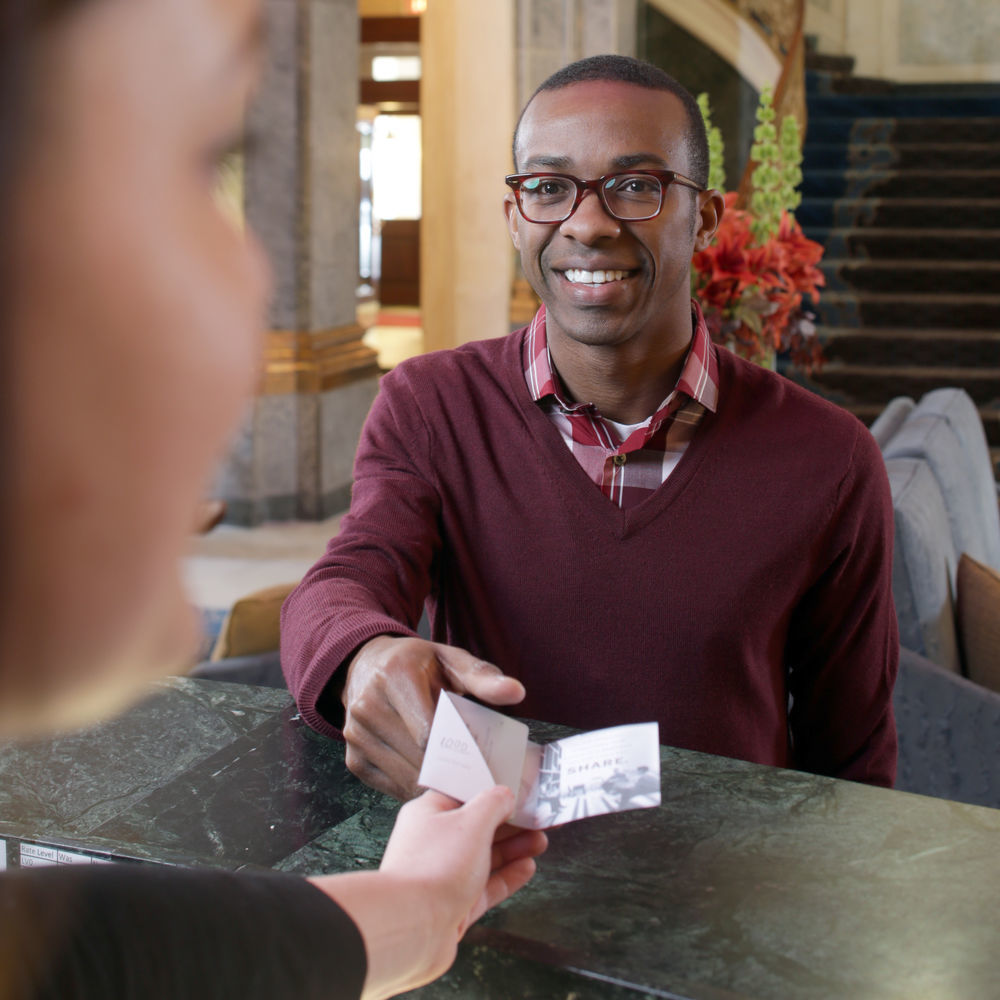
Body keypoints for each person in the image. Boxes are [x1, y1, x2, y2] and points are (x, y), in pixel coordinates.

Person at [0, 0, 546, 997]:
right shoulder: (436, 401)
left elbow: (91, 957)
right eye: (196, 164)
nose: (253, 280)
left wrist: (419, 908)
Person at [281, 54, 899, 801]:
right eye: (549, 188)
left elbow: (855, 763)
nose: (588, 223)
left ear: (703, 219)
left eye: (636, 186)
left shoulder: (828, 459)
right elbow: (346, 578)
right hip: (494, 883)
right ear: (516, 219)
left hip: (728, 897)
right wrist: (365, 655)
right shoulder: (431, 406)